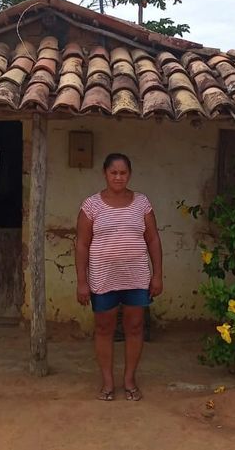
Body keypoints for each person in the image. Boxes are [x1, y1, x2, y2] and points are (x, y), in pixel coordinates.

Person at [75, 153, 163, 401]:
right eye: (113, 172)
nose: (118, 177)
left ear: (129, 175)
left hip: (136, 277)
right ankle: (107, 382)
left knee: (135, 327)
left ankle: (129, 380)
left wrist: (157, 275)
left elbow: (153, 239)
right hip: (103, 278)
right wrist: (82, 281)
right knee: (104, 328)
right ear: (105, 174)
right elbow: (81, 244)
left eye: (123, 173)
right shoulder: (91, 205)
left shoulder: (142, 203)